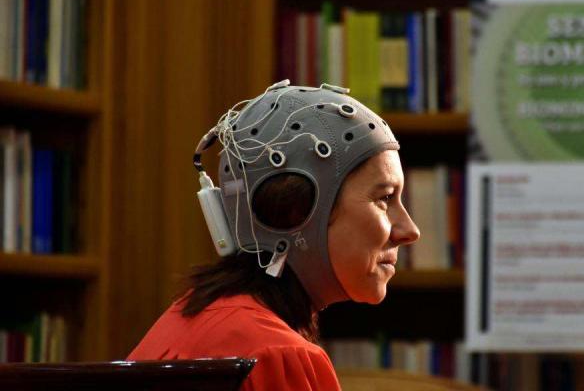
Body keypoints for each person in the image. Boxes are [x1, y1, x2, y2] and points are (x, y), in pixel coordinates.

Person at [127, 80, 420, 391]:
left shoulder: (182, 321)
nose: (409, 231)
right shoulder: (276, 356)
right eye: (385, 198)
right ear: (296, 210)